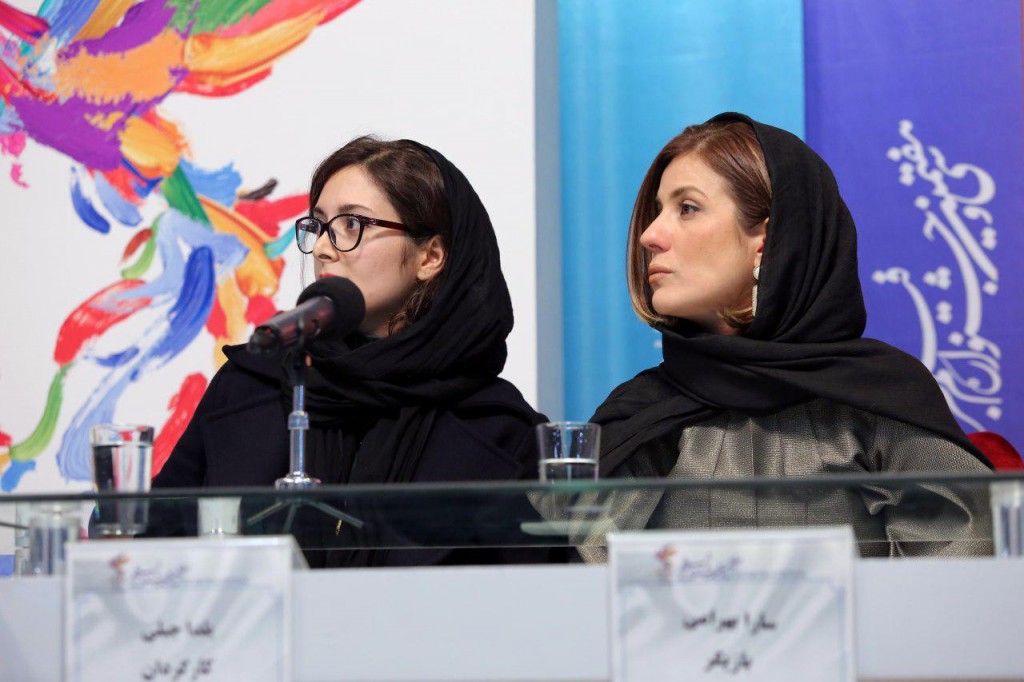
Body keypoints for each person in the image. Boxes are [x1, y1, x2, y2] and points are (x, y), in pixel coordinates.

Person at [584, 112, 992, 559]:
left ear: (766, 238)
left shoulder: (882, 400)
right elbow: (580, 580)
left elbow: (956, 579)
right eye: (658, 211)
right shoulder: (638, 415)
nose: (649, 235)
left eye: (687, 208)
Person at [153, 137, 546, 566]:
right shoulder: (251, 384)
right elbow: (154, 545)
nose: (323, 248)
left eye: (352, 225)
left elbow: (531, 595)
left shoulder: (496, 426)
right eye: (319, 226)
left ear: (430, 257)